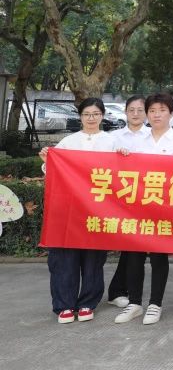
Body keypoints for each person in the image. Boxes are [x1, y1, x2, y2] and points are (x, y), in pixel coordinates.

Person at [39, 98, 116, 324]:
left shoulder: (112, 142)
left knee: (93, 259)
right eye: (86, 114)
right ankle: (64, 304)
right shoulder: (68, 141)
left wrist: (123, 155)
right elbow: (54, 172)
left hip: (98, 209)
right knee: (65, 258)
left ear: (102, 116)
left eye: (95, 114)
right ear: (80, 117)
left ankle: (87, 303)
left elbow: (122, 174)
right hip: (69, 210)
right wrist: (47, 160)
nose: (91, 118)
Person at [115, 92, 173, 325]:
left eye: (162, 110)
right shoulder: (137, 141)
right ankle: (135, 303)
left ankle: (155, 304)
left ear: (171, 113)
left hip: (165, 209)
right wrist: (122, 157)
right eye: (153, 111)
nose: (157, 115)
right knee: (134, 256)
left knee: (158, 257)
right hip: (138, 208)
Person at [106, 94, 150, 308]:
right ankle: (121, 291)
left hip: (148, 197)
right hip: (121, 198)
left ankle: (120, 290)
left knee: (136, 247)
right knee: (131, 246)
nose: (135, 114)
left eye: (140, 110)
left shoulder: (153, 135)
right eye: (131, 110)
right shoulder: (113, 137)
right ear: (125, 112)